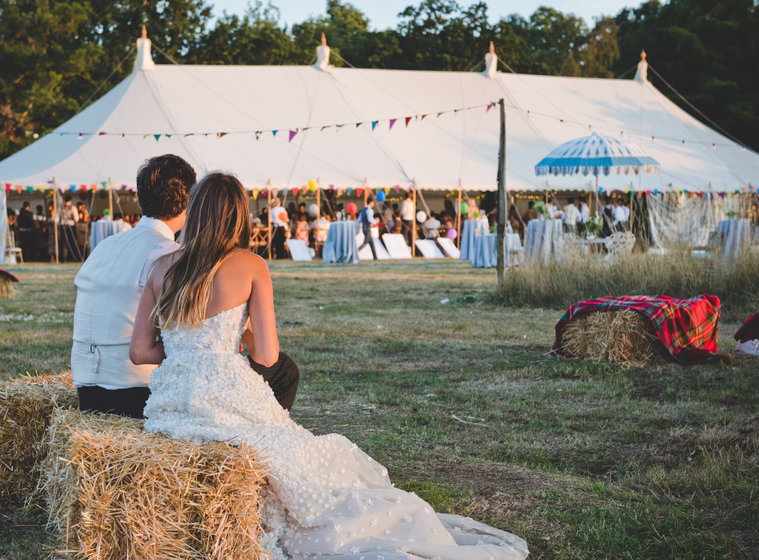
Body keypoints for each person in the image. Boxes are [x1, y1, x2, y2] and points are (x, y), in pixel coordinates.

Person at [129, 172, 528, 560]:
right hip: (223, 389)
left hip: (173, 401)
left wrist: (189, 352)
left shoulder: (159, 267)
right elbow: (267, 356)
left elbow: (140, 352)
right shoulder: (250, 265)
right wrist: (221, 348)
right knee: (299, 459)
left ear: (194, 211)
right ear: (238, 214)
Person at [72, 155, 300, 418]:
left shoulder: (104, 247)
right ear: (188, 201)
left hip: (87, 388)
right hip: (140, 389)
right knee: (282, 370)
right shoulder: (172, 256)